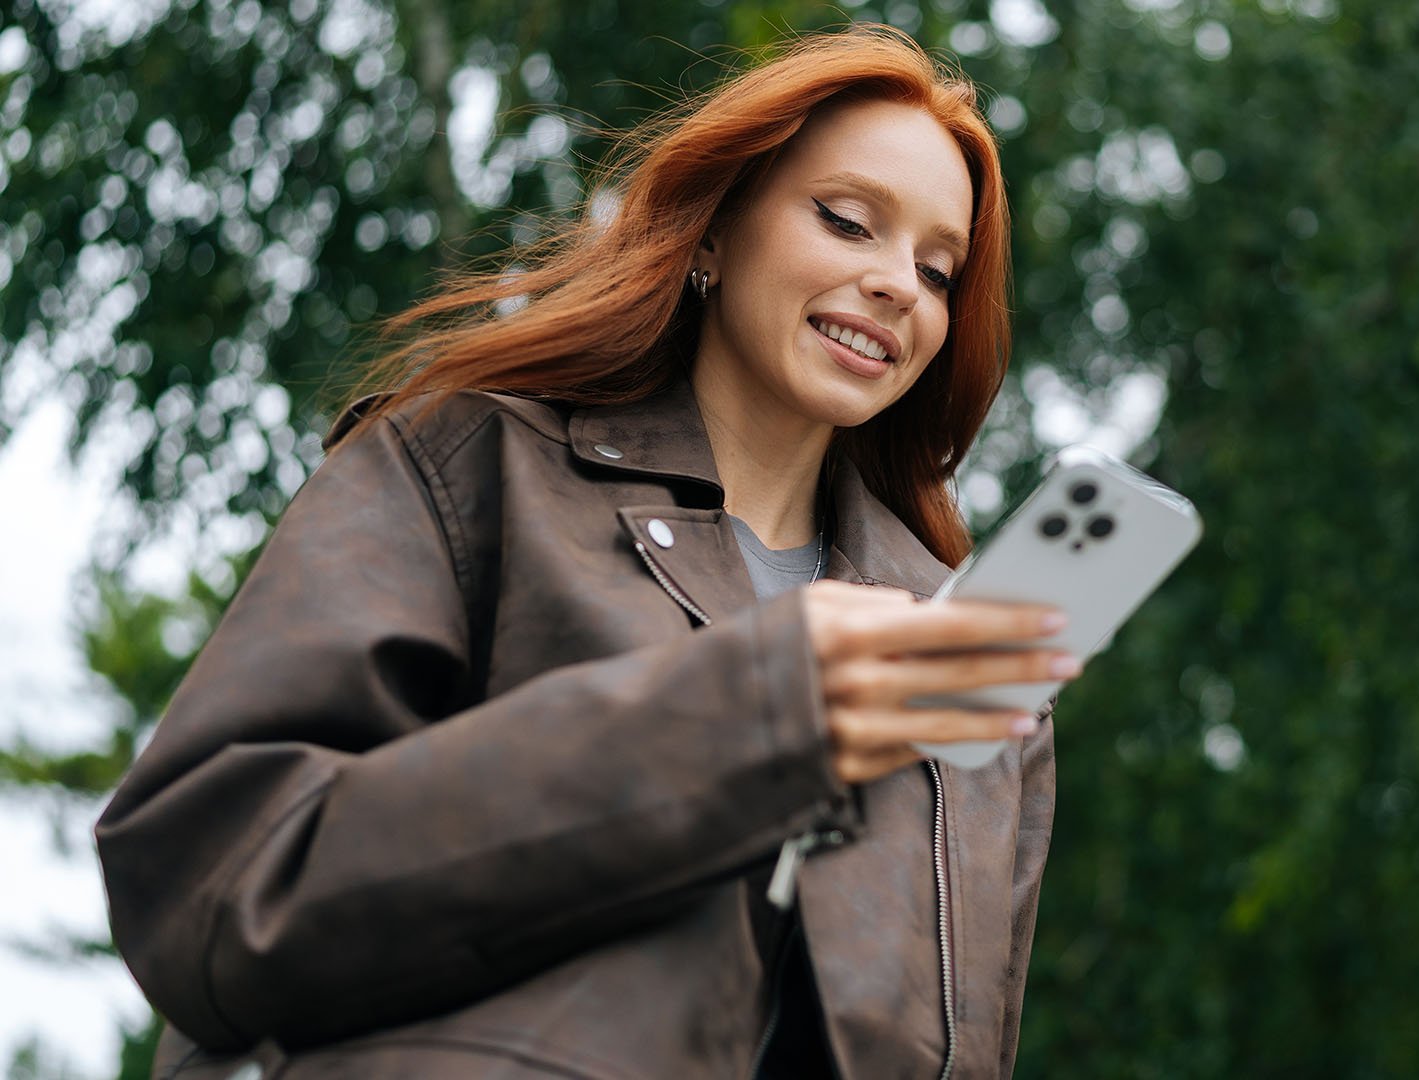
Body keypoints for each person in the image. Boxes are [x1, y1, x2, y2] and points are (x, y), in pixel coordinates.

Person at [96, 26, 1071, 1079]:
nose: (898, 285)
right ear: (713, 235)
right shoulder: (466, 469)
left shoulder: (960, 659)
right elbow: (220, 889)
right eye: (846, 221)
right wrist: (755, 713)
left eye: (939, 270)